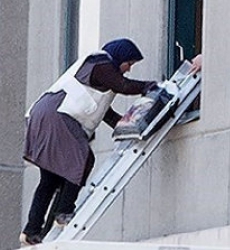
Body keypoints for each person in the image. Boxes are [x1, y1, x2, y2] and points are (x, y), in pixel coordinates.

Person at [21, 38, 156, 246]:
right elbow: (124, 86)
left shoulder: (99, 73)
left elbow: (104, 113)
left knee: (50, 180)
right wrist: (151, 87)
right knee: (83, 158)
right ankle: (64, 212)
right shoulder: (101, 64)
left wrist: (126, 125)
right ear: (119, 56)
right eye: (129, 63)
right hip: (58, 115)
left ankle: (32, 231)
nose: (128, 69)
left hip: (44, 114)